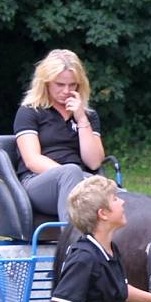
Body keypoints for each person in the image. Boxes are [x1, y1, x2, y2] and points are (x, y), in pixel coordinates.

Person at [13, 49, 105, 223]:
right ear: (46, 83)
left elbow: (93, 162)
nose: (66, 91)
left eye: (72, 85)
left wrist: (81, 117)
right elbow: (32, 160)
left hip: (81, 180)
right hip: (38, 182)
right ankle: (72, 244)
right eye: (60, 84)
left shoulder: (88, 116)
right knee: (71, 171)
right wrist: (76, 178)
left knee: (117, 194)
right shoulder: (30, 111)